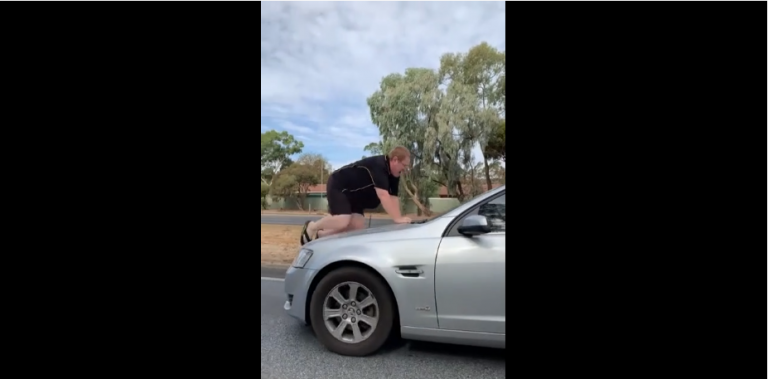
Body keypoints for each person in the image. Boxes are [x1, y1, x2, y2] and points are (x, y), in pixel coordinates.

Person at [300, 146, 413, 245]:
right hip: (338, 184)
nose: (405, 169)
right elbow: (384, 195)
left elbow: (393, 197)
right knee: (343, 220)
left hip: (354, 196)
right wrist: (397, 219)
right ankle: (312, 226)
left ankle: (322, 236)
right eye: (405, 165)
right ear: (395, 160)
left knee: (357, 228)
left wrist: (400, 218)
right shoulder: (379, 165)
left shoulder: (394, 175)